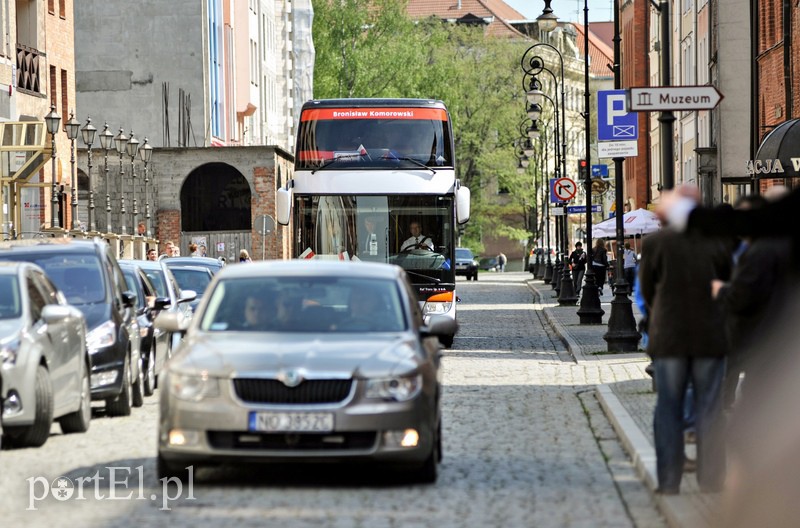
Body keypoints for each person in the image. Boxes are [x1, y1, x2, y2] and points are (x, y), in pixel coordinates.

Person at [638, 202, 732, 495]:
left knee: (669, 407)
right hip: (709, 335)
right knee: (710, 408)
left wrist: (660, 314)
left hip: (669, 337)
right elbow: (727, 281)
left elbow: (646, 289)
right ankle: (712, 479)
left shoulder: (655, 243)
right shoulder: (718, 242)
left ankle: (669, 480)